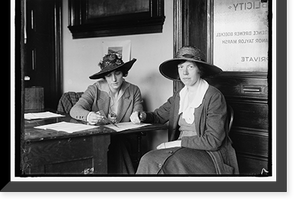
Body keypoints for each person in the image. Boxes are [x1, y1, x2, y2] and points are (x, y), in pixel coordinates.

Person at [131, 46, 239, 175]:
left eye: (190, 67)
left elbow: (213, 141)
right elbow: (158, 116)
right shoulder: (180, 96)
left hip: (208, 154)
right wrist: (142, 116)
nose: (184, 72)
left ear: (200, 70)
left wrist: (176, 143)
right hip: (180, 149)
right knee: (148, 159)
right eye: (181, 67)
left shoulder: (213, 96)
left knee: (158, 163)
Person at [70, 53, 143, 174]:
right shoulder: (95, 89)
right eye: (109, 75)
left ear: (123, 73)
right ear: (104, 77)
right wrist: (89, 116)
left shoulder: (133, 90)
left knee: (117, 143)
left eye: (117, 73)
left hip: (123, 139)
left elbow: (138, 108)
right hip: (99, 138)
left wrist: (137, 114)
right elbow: (75, 110)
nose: (114, 79)